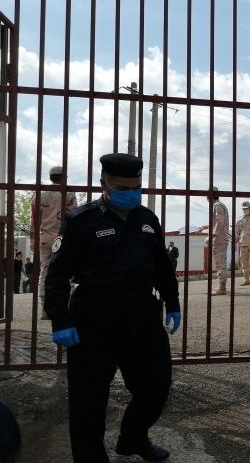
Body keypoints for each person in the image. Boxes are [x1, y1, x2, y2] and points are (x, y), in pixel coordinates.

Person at [44, 152, 181, 463]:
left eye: (135, 186)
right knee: (87, 400)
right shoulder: (81, 220)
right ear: (103, 183)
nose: (130, 193)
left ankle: (132, 438)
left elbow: (161, 267)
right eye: (122, 187)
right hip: (94, 317)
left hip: (142, 315)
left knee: (156, 386)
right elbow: (58, 273)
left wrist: (172, 302)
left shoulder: (147, 219)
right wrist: (60, 320)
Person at [33, 165, 77, 319]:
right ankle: (65, 306)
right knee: (67, 272)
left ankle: (45, 310)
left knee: (44, 271)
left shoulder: (41, 193)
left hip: (44, 237)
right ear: (63, 177)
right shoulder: (69, 193)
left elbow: (35, 218)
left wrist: (33, 239)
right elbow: (73, 216)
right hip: (63, 238)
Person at [208, 187, 229, 295]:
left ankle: (222, 287)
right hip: (221, 238)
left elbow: (219, 222)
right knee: (220, 262)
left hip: (219, 238)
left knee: (220, 262)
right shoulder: (220, 205)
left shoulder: (217, 205)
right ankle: (221, 285)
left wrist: (212, 235)